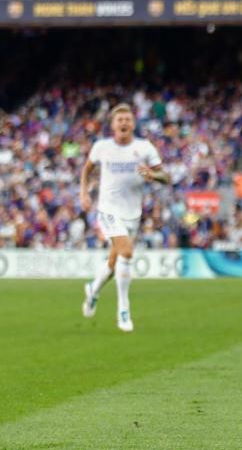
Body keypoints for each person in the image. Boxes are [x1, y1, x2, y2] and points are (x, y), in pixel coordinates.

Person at [79, 104, 169, 332]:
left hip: (132, 214)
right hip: (108, 210)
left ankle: (93, 290)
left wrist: (153, 175)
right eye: (120, 119)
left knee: (114, 262)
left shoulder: (144, 147)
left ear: (133, 123)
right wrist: (84, 193)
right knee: (127, 252)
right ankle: (123, 311)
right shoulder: (102, 147)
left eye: (127, 119)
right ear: (112, 124)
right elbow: (87, 169)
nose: (124, 123)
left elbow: (166, 177)